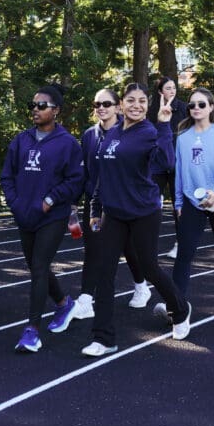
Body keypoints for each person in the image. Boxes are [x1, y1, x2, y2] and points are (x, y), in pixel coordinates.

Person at [83, 83, 191, 357]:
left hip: (144, 211)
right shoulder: (112, 134)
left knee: (149, 267)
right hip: (114, 214)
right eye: (130, 100)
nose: (137, 105)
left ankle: (180, 308)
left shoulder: (149, 132)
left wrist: (165, 126)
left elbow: (167, 161)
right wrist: (96, 210)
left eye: (142, 101)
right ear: (121, 105)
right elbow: (103, 175)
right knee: (104, 272)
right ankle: (103, 338)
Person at [0, 85, 83, 352]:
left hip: (52, 216)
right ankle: (63, 304)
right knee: (38, 267)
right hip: (25, 215)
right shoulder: (21, 140)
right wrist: (14, 203)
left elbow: (76, 181)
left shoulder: (68, 143)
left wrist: (50, 200)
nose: (35, 110)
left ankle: (32, 331)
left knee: (38, 267)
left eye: (42, 106)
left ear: (56, 110)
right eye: (33, 106)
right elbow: (7, 176)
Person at [74, 88, 150, 320]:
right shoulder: (88, 135)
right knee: (93, 249)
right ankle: (86, 299)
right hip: (95, 203)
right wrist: (75, 203)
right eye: (97, 104)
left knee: (129, 248)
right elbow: (85, 171)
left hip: (122, 202)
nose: (101, 108)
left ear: (118, 106)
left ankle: (141, 285)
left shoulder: (128, 133)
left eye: (107, 104)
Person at [169, 87, 214, 314]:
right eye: (192, 105)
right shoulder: (182, 138)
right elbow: (179, 172)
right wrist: (179, 203)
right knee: (184, 254)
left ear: (211, 107)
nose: (196, 108)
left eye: (201, 104)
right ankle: (176, 305)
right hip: (192, 203)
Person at [147, 77, 188, 259]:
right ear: (160, 91)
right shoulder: (151, 110)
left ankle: (181, 243)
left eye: (174, 88)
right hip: (158, 164)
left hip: (178, 162)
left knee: (178, 205)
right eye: (168, 88)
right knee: (151, 201)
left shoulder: (185, 108)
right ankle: (145, 243)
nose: (172, 91)